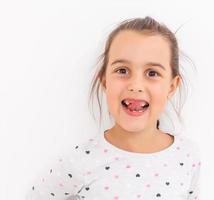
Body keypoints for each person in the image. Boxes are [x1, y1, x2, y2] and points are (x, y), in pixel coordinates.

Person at [26, 16, 201, 200]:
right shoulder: (80, 161)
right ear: (105, 80)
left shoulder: (188, 155)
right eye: (122, 70)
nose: (136, 85)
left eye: (152, 73)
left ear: (172, 86)